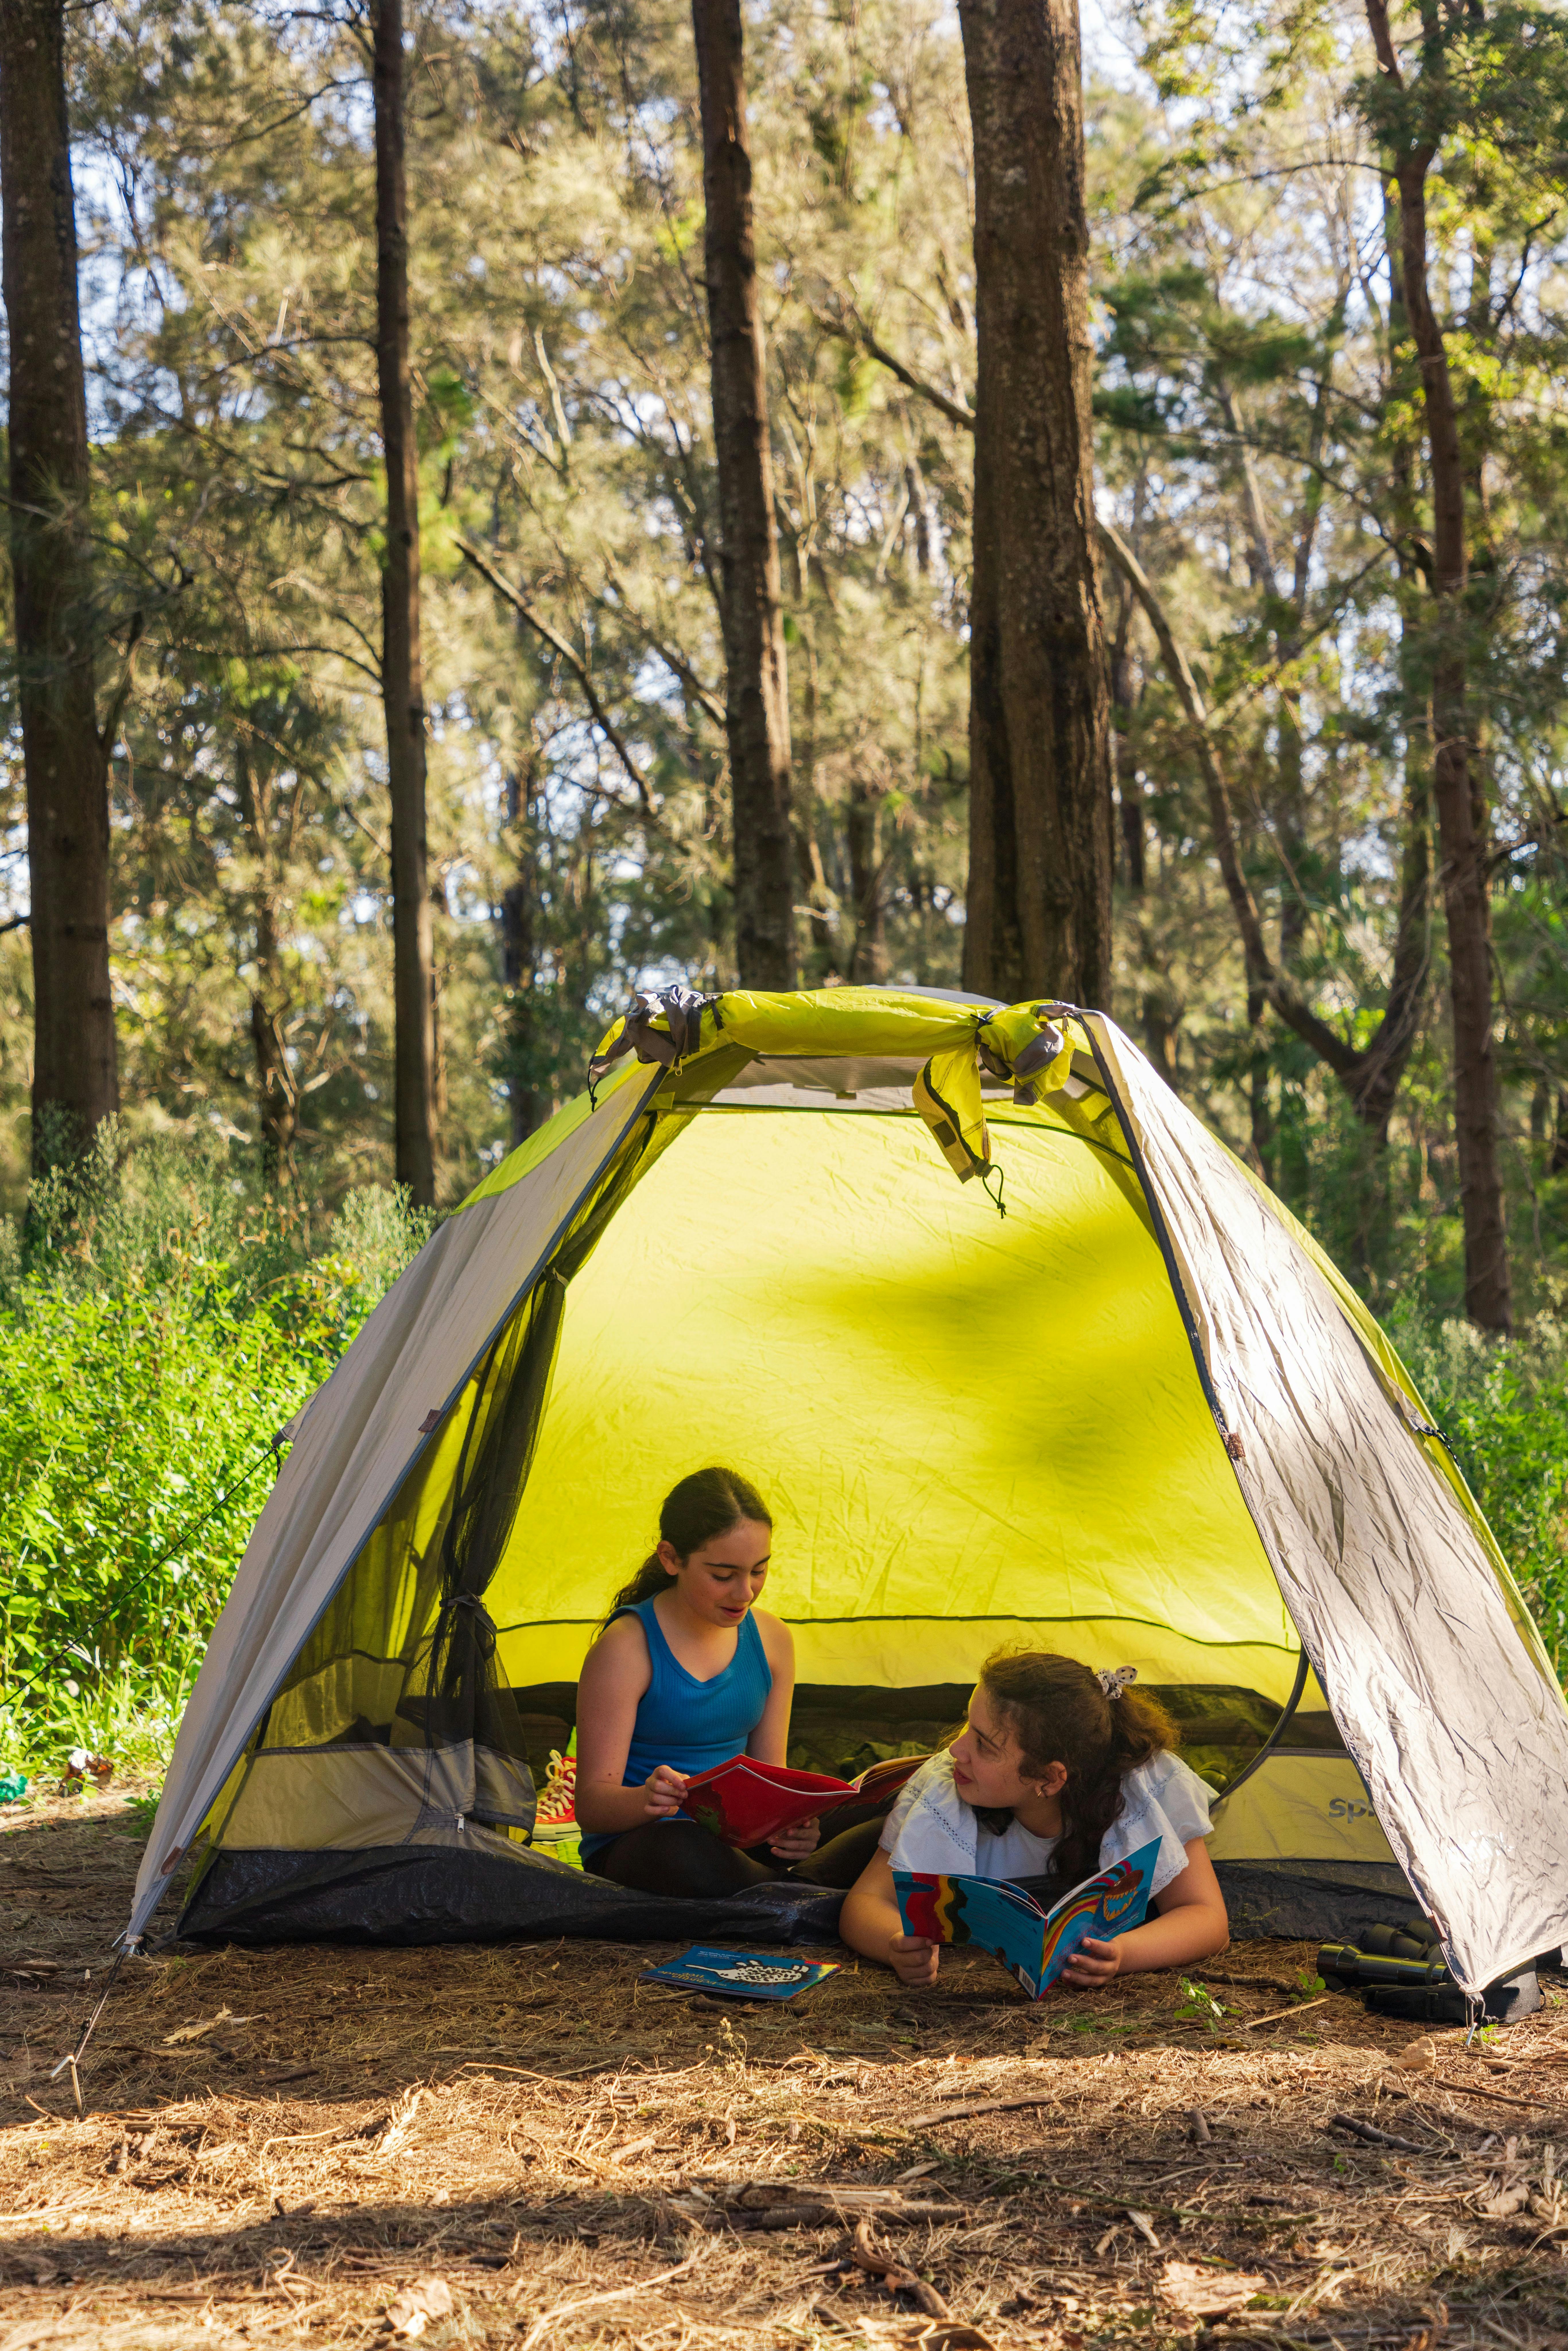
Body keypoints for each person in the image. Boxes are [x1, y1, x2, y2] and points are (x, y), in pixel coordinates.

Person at [837, 1650, 1229, 1988]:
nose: (956, 1749)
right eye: (966, 1726)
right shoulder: (947, 1787)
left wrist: (1124, 1954)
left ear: (1049, 1778)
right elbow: (867, 1901)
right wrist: (894, 1943)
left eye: (984, 1745)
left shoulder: (1147, 1788)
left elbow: (1206, 1917)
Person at [573, 1467, 822, 1897]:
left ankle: (783, 1889)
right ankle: (800, 1894)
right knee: (685, 1851)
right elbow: (593, 1807)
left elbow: (771, 1776)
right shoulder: (626, 1648)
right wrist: (646, 1799)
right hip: (649, 1841)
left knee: (884, 1815)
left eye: (759, 1571)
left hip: (737, 1838)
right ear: (671, 1558)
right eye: (723, 1576)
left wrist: (794, 1827)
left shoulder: (773, 1639)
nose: (745, 1593)